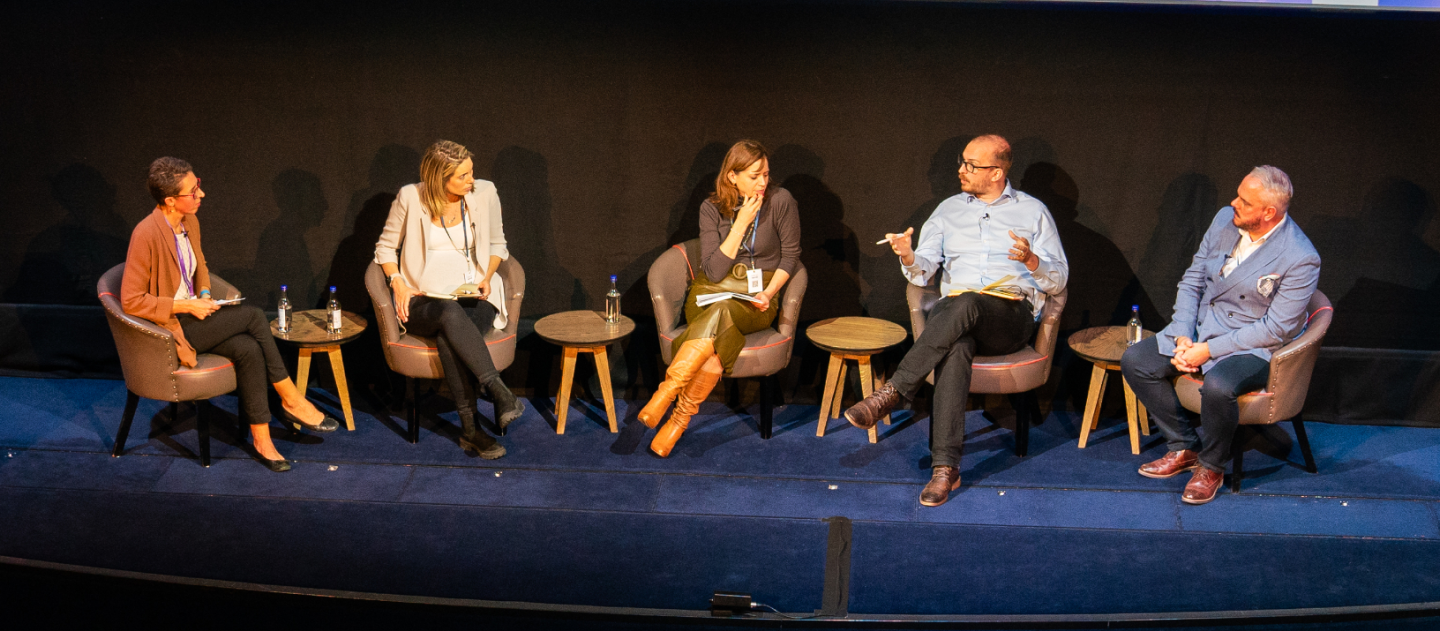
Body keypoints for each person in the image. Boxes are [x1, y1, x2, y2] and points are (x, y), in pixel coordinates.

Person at [843, 134, 1068, 507]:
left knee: (965, 303)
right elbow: (922, 273)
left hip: (1008, 318)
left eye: (971, 165)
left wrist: (1032, 261)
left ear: (996, 172)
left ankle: (894, 391)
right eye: (961, 163)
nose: (961, 171)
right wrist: (909, 256)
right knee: (956, 344)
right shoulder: (948, 210)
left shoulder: (1033, 212)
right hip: (958, 318)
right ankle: (945, 469)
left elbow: (1059, 280)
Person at [121, 157, 339, 473]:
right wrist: (185, 306)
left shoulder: (189, 221)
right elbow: (131, 300)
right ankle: (291, 398)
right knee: (252, 317)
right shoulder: (146, 233)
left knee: (248, 349)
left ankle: (263, 440)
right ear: (170, 201)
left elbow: (201, 268)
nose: (202, 195)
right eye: (193, 191)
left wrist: (205, 295)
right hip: (171, 328)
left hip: (195, 314)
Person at [1120, 166, 1320, 505]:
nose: (1233, 203)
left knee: (1219, 386)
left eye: (1244, 201)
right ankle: (1184, 446)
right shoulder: (1225, 220)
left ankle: (1212, 466)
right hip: (1201, 327)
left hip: (1253, 344)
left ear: (1268, 213)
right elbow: (1193, 280)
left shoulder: (1301, 257)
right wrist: (1183, 334)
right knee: (1136, 361)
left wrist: (1208, 350)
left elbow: (1277, 329)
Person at [638, 140, 801, 457]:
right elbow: (712, 272)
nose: (763, 182)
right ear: (732, 177)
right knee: (718, 334)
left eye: (766, 174)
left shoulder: (781, 201)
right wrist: (739, 225)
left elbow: (791, 258)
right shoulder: (710, 208)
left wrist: (769, 292)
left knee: (723, 315)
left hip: (757, 297)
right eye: (754, 176)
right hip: (711, 292)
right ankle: (678, 419)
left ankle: (669, 394)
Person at [375, 140, 521, 459]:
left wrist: (486, 278)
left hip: (474, 297)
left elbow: (498, 245)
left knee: (450, 332)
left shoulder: (484, 194)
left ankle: (471, 431)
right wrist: (397, 282)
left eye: (472, 172)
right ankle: (497, 390)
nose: (472, 181)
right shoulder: (410, 198)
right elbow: (385, 249)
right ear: (440, 179)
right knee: (447, 315)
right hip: (424, 301)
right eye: (463, 176)